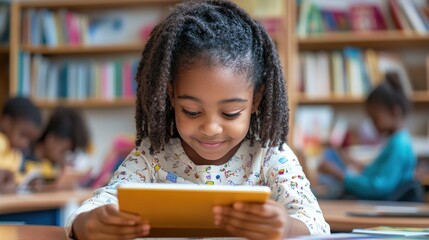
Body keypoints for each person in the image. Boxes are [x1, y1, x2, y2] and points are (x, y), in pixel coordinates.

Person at [67, 1, 330, 239]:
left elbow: (317, 223)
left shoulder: (271, 157)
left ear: (256, 99)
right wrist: (88, 224)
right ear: (170, 95)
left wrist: (287, 227)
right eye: (192, 111)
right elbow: (94, 208)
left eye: (230, 113)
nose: (211, 128)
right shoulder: (152, 157)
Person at [318, 72, 416, 200]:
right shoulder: (396, 141)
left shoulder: (399, 144)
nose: (373, 124)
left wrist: (338, 174)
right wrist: (347, 159)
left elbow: (379, 187)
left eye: (375, 118)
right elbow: (375, 173)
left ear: (394, 112)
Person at [22, 106, 90, 191]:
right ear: (51, 140)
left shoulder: (55, 167)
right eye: (64, 151)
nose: (64, 158)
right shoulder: (21, 157)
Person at [0, 96, 42, 193]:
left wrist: (27, 183)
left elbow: (15, 177)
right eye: (23, 135)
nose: (25, 144)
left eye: (30, 140)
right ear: (6, 123)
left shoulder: (16, 154)